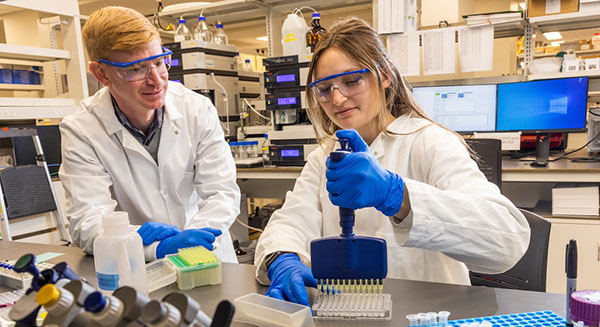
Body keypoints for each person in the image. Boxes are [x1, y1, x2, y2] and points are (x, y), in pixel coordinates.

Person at [254, 18, 530, 307]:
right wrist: (283, 259)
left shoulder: (428, 141)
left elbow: (508, 240)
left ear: (384, 75)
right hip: (346, 319)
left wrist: (397, 196)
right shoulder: (323, 157)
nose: (337, 98)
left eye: (351, 81)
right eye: (324, 89)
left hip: (429, 324)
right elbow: (290, 222)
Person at [59, 6, 240, 262]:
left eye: (159, 62)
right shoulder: (82, 130)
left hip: (208, 256)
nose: (156, 80)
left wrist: (196, 237)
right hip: (136, 266)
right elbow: (88, 222)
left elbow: (222, 192)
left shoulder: (196, 109)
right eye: (136, 69)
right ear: (101, 73)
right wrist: (153, 247)